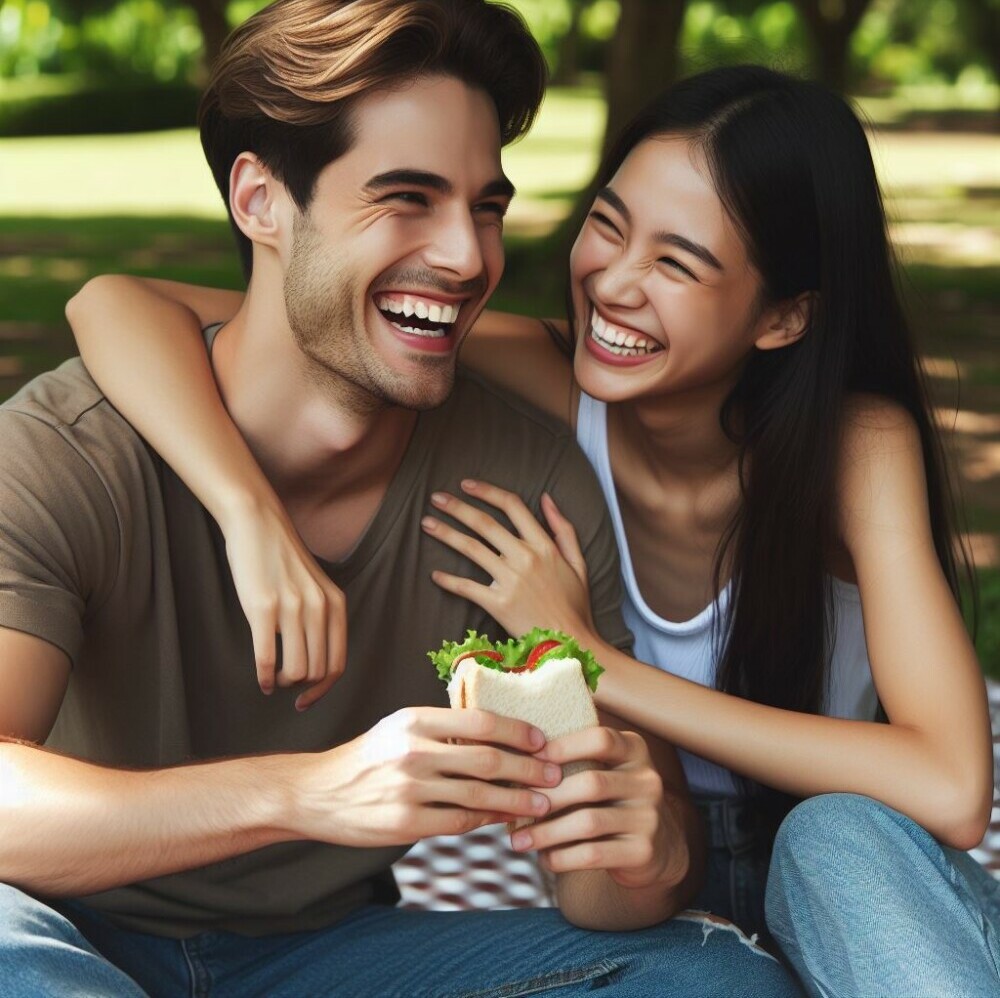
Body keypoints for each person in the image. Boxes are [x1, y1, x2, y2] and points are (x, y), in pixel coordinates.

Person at [68, 56, 1000, 996]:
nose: (614, 283)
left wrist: (593, 657)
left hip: (854, 887)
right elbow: (115, 304)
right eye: (608, 225)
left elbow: (952, 787)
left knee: (828, 832)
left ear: (784, 317)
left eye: (677, 262)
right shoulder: (544, 377)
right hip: (649, 880)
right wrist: (248, 514)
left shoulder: (855, 447)